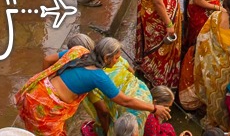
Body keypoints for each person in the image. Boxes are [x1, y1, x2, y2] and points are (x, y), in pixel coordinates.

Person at [16, 37, 171, 136]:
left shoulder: (79, 51)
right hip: (47, 108)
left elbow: (48, 59)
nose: (118, 61)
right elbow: (124, 101)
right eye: (116, 58)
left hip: (36, 93)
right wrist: (154, 108)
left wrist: (49, 83)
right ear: (106, 58)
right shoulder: (98, 76)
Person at [192, 0, 230, 129]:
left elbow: (202, 38)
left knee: (212, 96)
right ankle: (224, 126)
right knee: (224, 99)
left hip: (210, 65)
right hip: (227, 69)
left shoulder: (215, 16)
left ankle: (211, 122)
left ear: (226, 3)